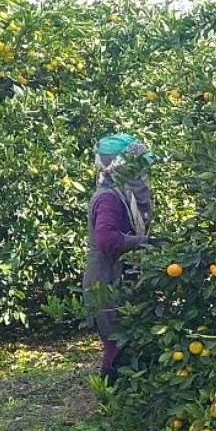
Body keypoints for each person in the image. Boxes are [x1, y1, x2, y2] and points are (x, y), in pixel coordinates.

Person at [83, 133, 159, 383]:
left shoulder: (122, 196)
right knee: (118, 348)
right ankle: (112, 403)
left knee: (125, 345)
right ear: (122, 168)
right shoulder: (109, 198)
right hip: (107, 283)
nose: (144, 176)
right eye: (138, 169)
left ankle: (119, 402)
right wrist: (146, 243)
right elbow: (107, 241)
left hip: (117, 280)